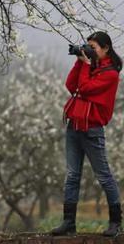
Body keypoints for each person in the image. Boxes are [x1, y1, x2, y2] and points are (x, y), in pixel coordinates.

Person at [51, 31, 122, 237]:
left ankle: (116, 223)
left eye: (94, 47)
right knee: (72, 176)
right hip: (74, 125)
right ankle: (68, 222)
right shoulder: (92, 66)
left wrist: (85, 64)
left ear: (106, 48)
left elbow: (85, 88)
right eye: (87, 46)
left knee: (104, 176)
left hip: (91, 129)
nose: (90, 50)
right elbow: (71, 86)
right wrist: (79, 61)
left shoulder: (110, 73)